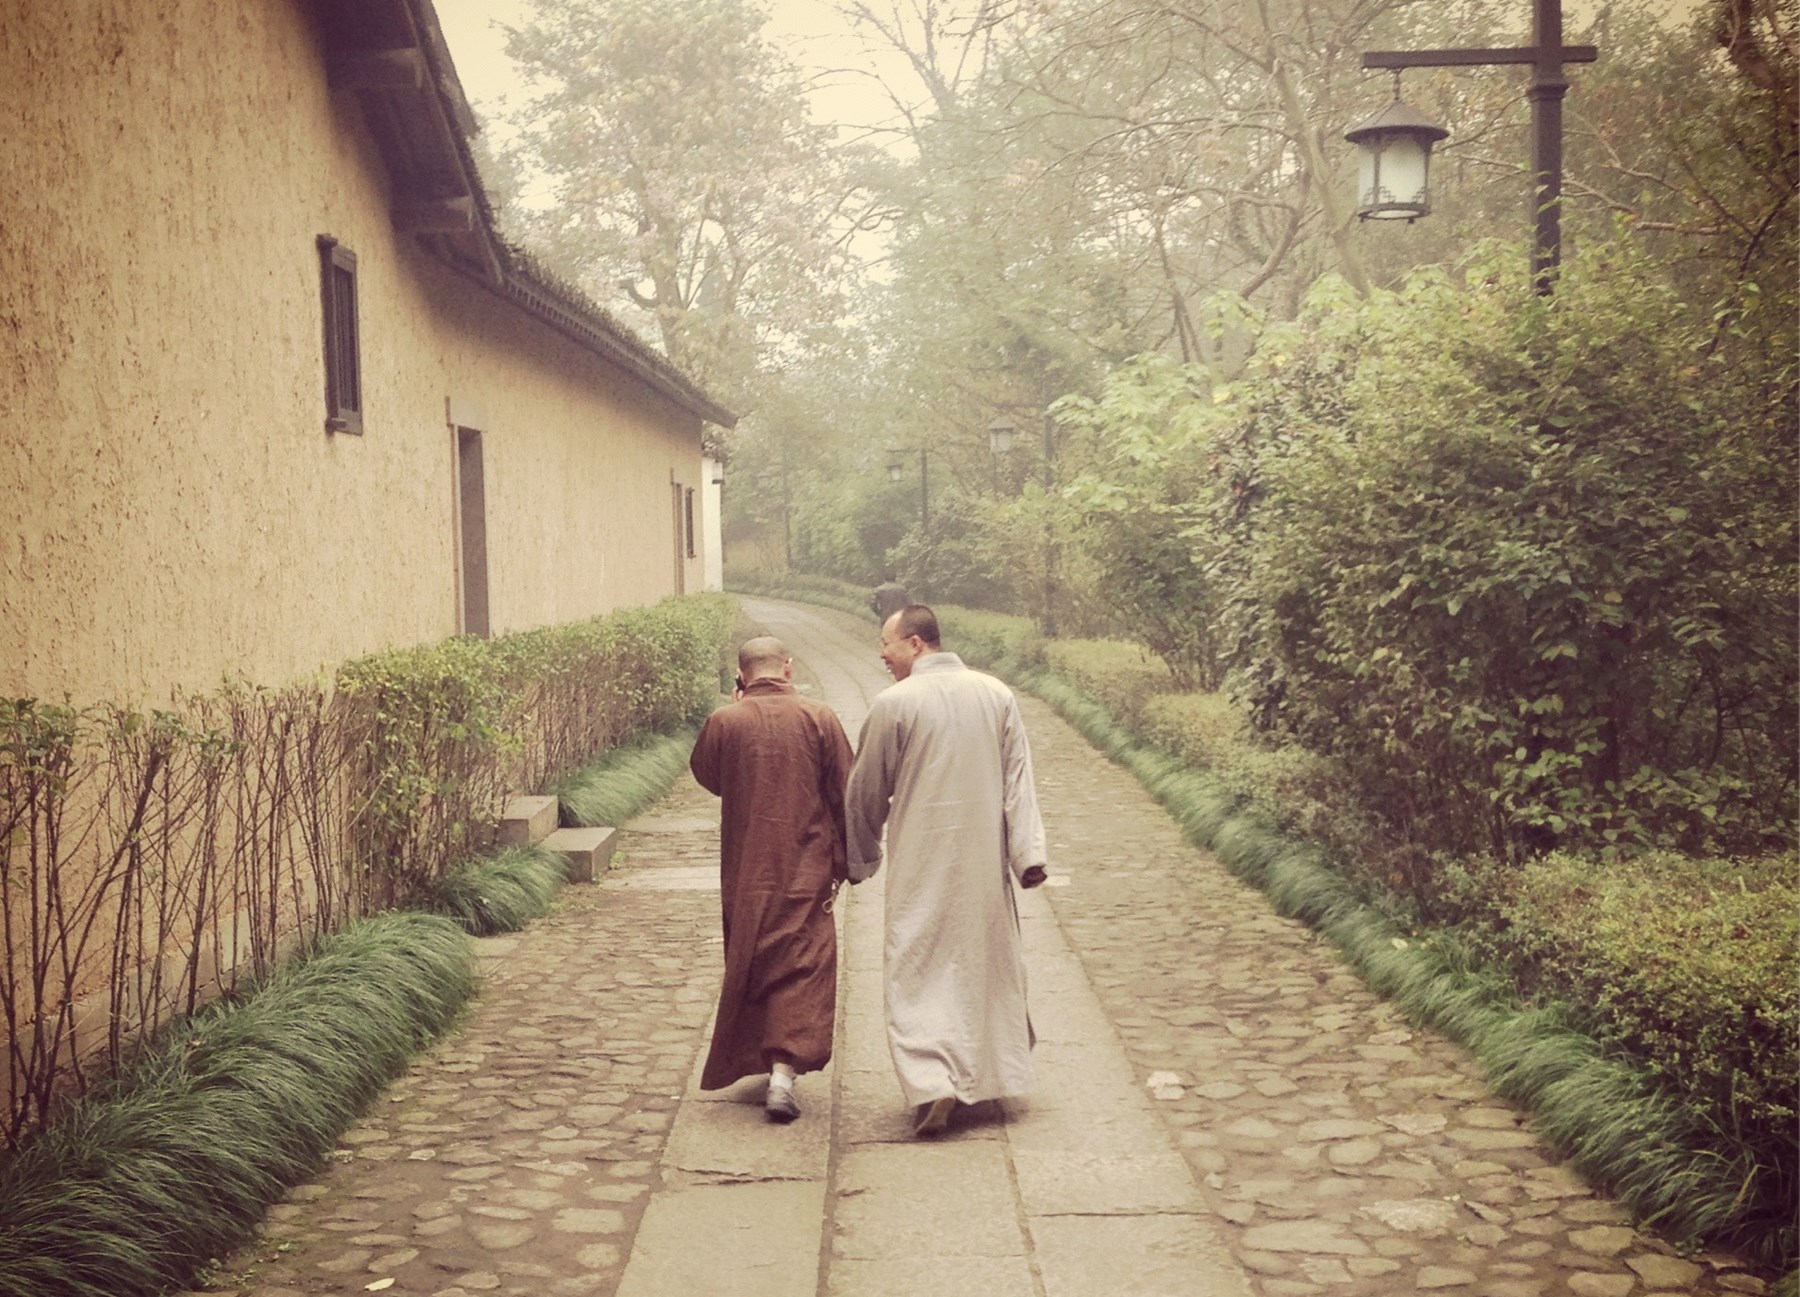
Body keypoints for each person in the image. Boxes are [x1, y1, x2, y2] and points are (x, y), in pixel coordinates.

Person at [845, 604, 1049, 1136]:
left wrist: (861, 854)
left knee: (916, 963)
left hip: (921, 858)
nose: (881, 654)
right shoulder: (996, 694)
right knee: (981, 963)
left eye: (886, 643)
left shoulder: (894, 704)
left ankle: (934, 1080)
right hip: (983, 860)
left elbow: (866, 790)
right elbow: (1017, 781)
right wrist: (1027, 856)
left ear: (915, 643)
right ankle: (978, 1075)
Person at [689, 635, 855, 1123]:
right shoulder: (819, 716)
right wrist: (849, 861)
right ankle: (782, 1073)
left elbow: (710, 776)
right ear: (787, 668)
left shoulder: (725, 721)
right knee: (804, 965)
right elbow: (845, 790)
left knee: (754, 961)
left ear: (742, 676)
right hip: (807, 866)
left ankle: (765, 1057)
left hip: (746, 869)